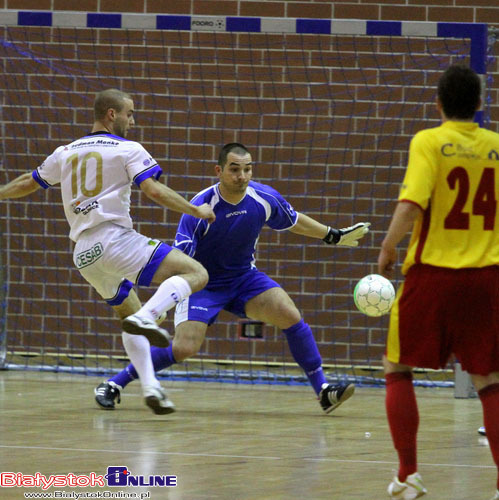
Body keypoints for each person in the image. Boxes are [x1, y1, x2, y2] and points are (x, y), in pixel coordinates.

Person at [94, 142, 370, 415]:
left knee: (289, 314)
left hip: (243, 279)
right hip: (202, 284)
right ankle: (115, 384)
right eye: (235, 169)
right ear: (219, 171)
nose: (242, 176)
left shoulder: (263, 198)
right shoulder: (200, 207)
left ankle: (323, 391)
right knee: (184, 347)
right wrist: (162, 304)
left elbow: (294, 220)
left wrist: (332, 235)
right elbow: (179, 263)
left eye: (248, 169)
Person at [0, 89, 216, 415]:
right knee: (197, 273)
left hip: (84, 255)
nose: (133, 120)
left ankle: (151, 387)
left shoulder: (66, 151)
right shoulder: (128, 149)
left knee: (127, 315)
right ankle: (149, 317)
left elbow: (27, 183)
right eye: (130, 113)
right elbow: (153, 189)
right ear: (112, 114)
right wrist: (194, 209)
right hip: (114, 239)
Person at [377, 64, 499, 499]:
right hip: (487, 278)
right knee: (488, 378)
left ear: (439, 104)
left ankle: (408, 474)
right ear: (481, 104)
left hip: (433, 274)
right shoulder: (496, 147)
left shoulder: (429, 141)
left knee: (397, 366)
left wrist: (388, 247)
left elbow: (412, 202)